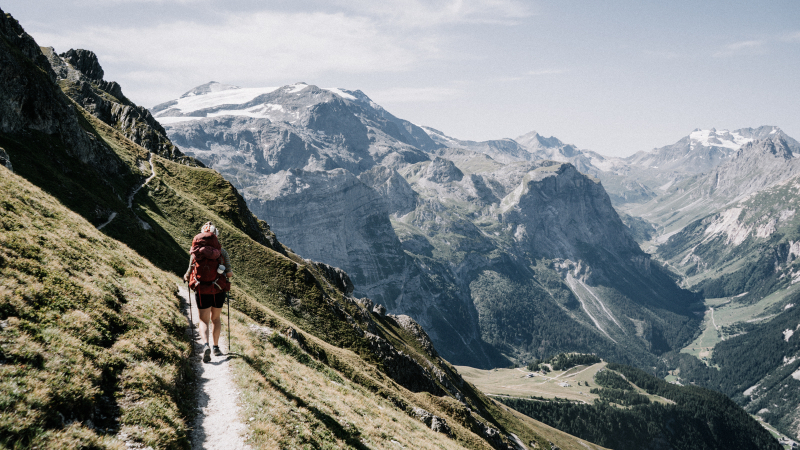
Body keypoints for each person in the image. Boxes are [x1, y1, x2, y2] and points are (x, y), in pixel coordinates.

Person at [184, 222, 233, 362]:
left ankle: (206, 345)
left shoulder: (195, 252)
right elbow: (229, 274)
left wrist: (186, 277)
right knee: (215, 319)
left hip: (201, 290)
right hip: (218, 289)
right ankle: (216, 347)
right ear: (215, 237)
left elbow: (188, 273)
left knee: (203, 320)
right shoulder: (222, 252)